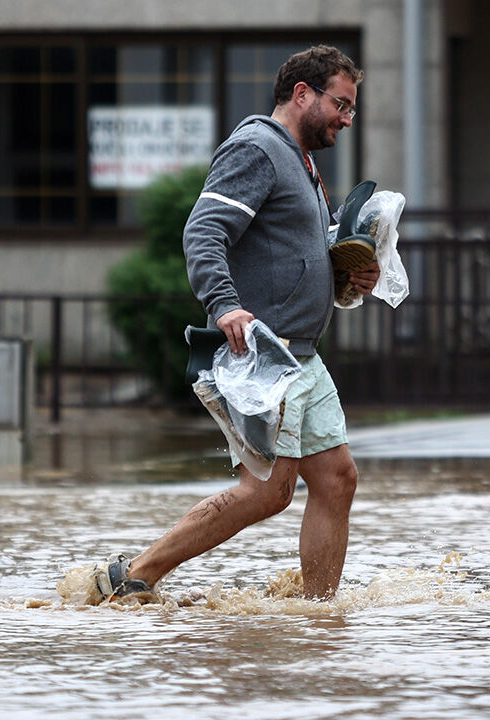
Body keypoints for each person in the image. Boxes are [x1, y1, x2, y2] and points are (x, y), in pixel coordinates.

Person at [94, 45, 378, 602]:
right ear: (302, 94)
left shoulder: (302, 162)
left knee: (337, 478)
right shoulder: (256, 149)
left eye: (352, 108)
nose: (347, 118)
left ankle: (317, 615)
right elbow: (203, 232)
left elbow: (297, 258)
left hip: (304, 356)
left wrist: (350, 278)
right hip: (263, 355)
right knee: (268, 491)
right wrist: (224, 305)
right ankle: (135, 575)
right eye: (340, 105)